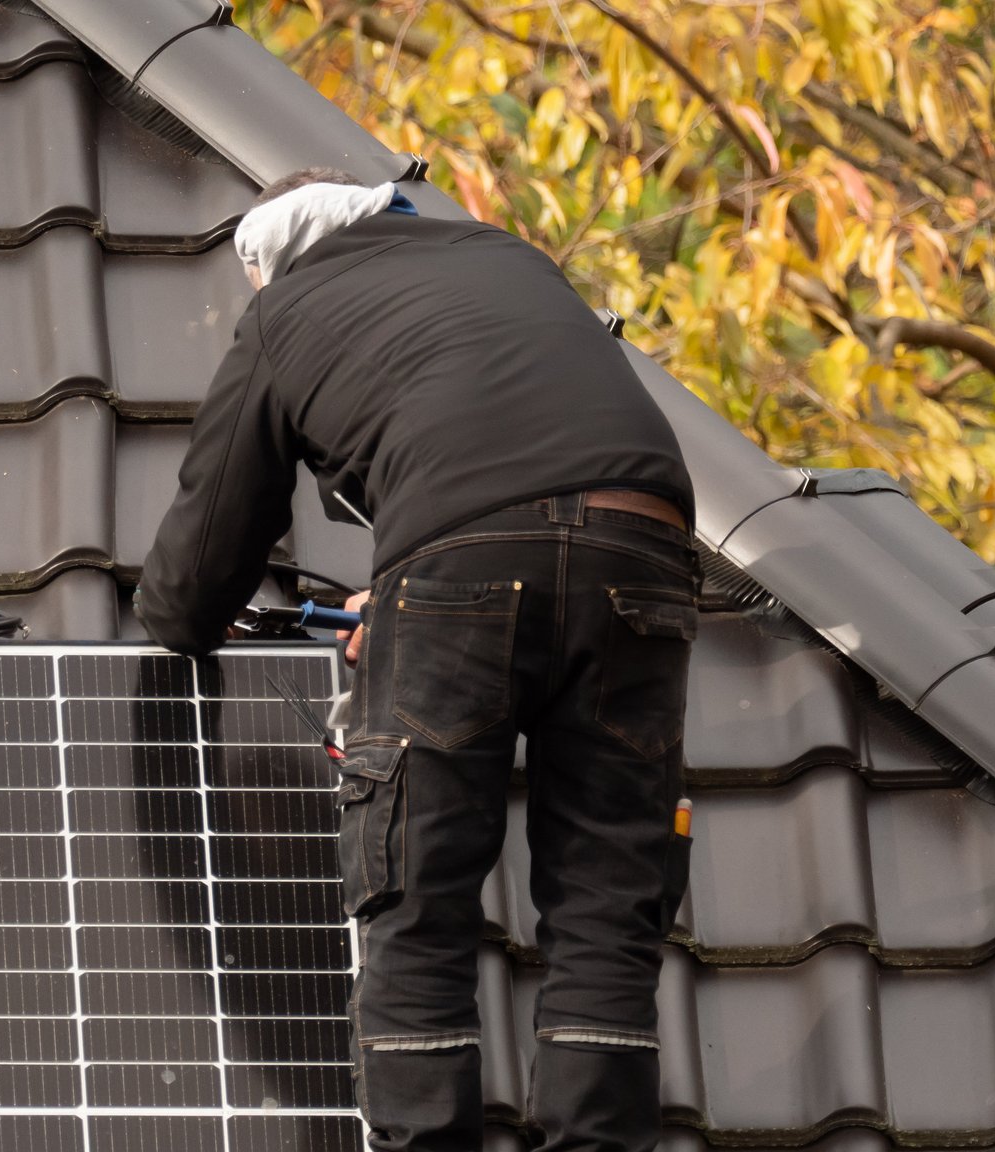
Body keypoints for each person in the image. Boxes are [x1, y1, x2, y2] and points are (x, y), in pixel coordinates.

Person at [135, 168, 699, 1152]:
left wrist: (175, 618)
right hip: (640, 548)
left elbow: (198, 571)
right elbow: (531, 472)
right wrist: (403, 596)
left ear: (274, 262)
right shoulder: (499, 255)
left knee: (414, 894)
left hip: (459, 567)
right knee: (611, 902)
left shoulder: (285, 313)